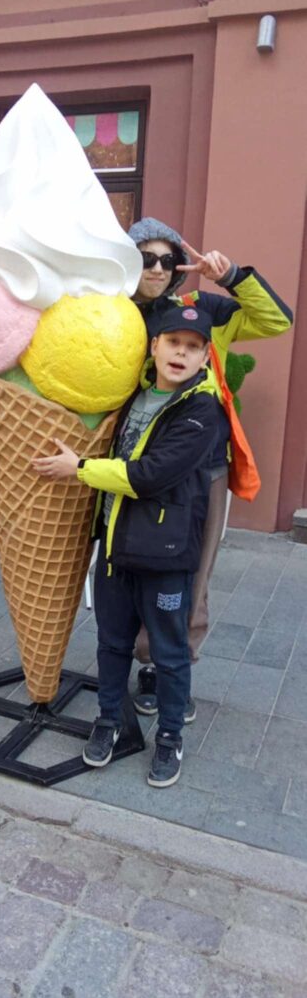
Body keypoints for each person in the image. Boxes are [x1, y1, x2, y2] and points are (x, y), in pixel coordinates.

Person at [32, 303, 220, 787]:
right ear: (154, 346)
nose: (181, 353)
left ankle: (170, 737)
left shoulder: (202, 409)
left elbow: (151, 475)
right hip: (116, 550)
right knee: (112, 644)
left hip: (166, 556)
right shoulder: (133, 394)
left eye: (193, 347)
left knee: (169, 653)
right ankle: (109, 720)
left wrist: (79, 469)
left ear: (205, 357)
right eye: (173, 342)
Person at [127, 218, 293, 715]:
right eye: (145, 258)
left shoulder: (203, 309)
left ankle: (171, 666)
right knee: (132, 569)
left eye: (166, 259)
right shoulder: (112, 315)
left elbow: (277, 321)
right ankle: (140, 658)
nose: (157, 269)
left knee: (193, 573)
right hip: (135, 467)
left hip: (202, 470)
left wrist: (233, 277)